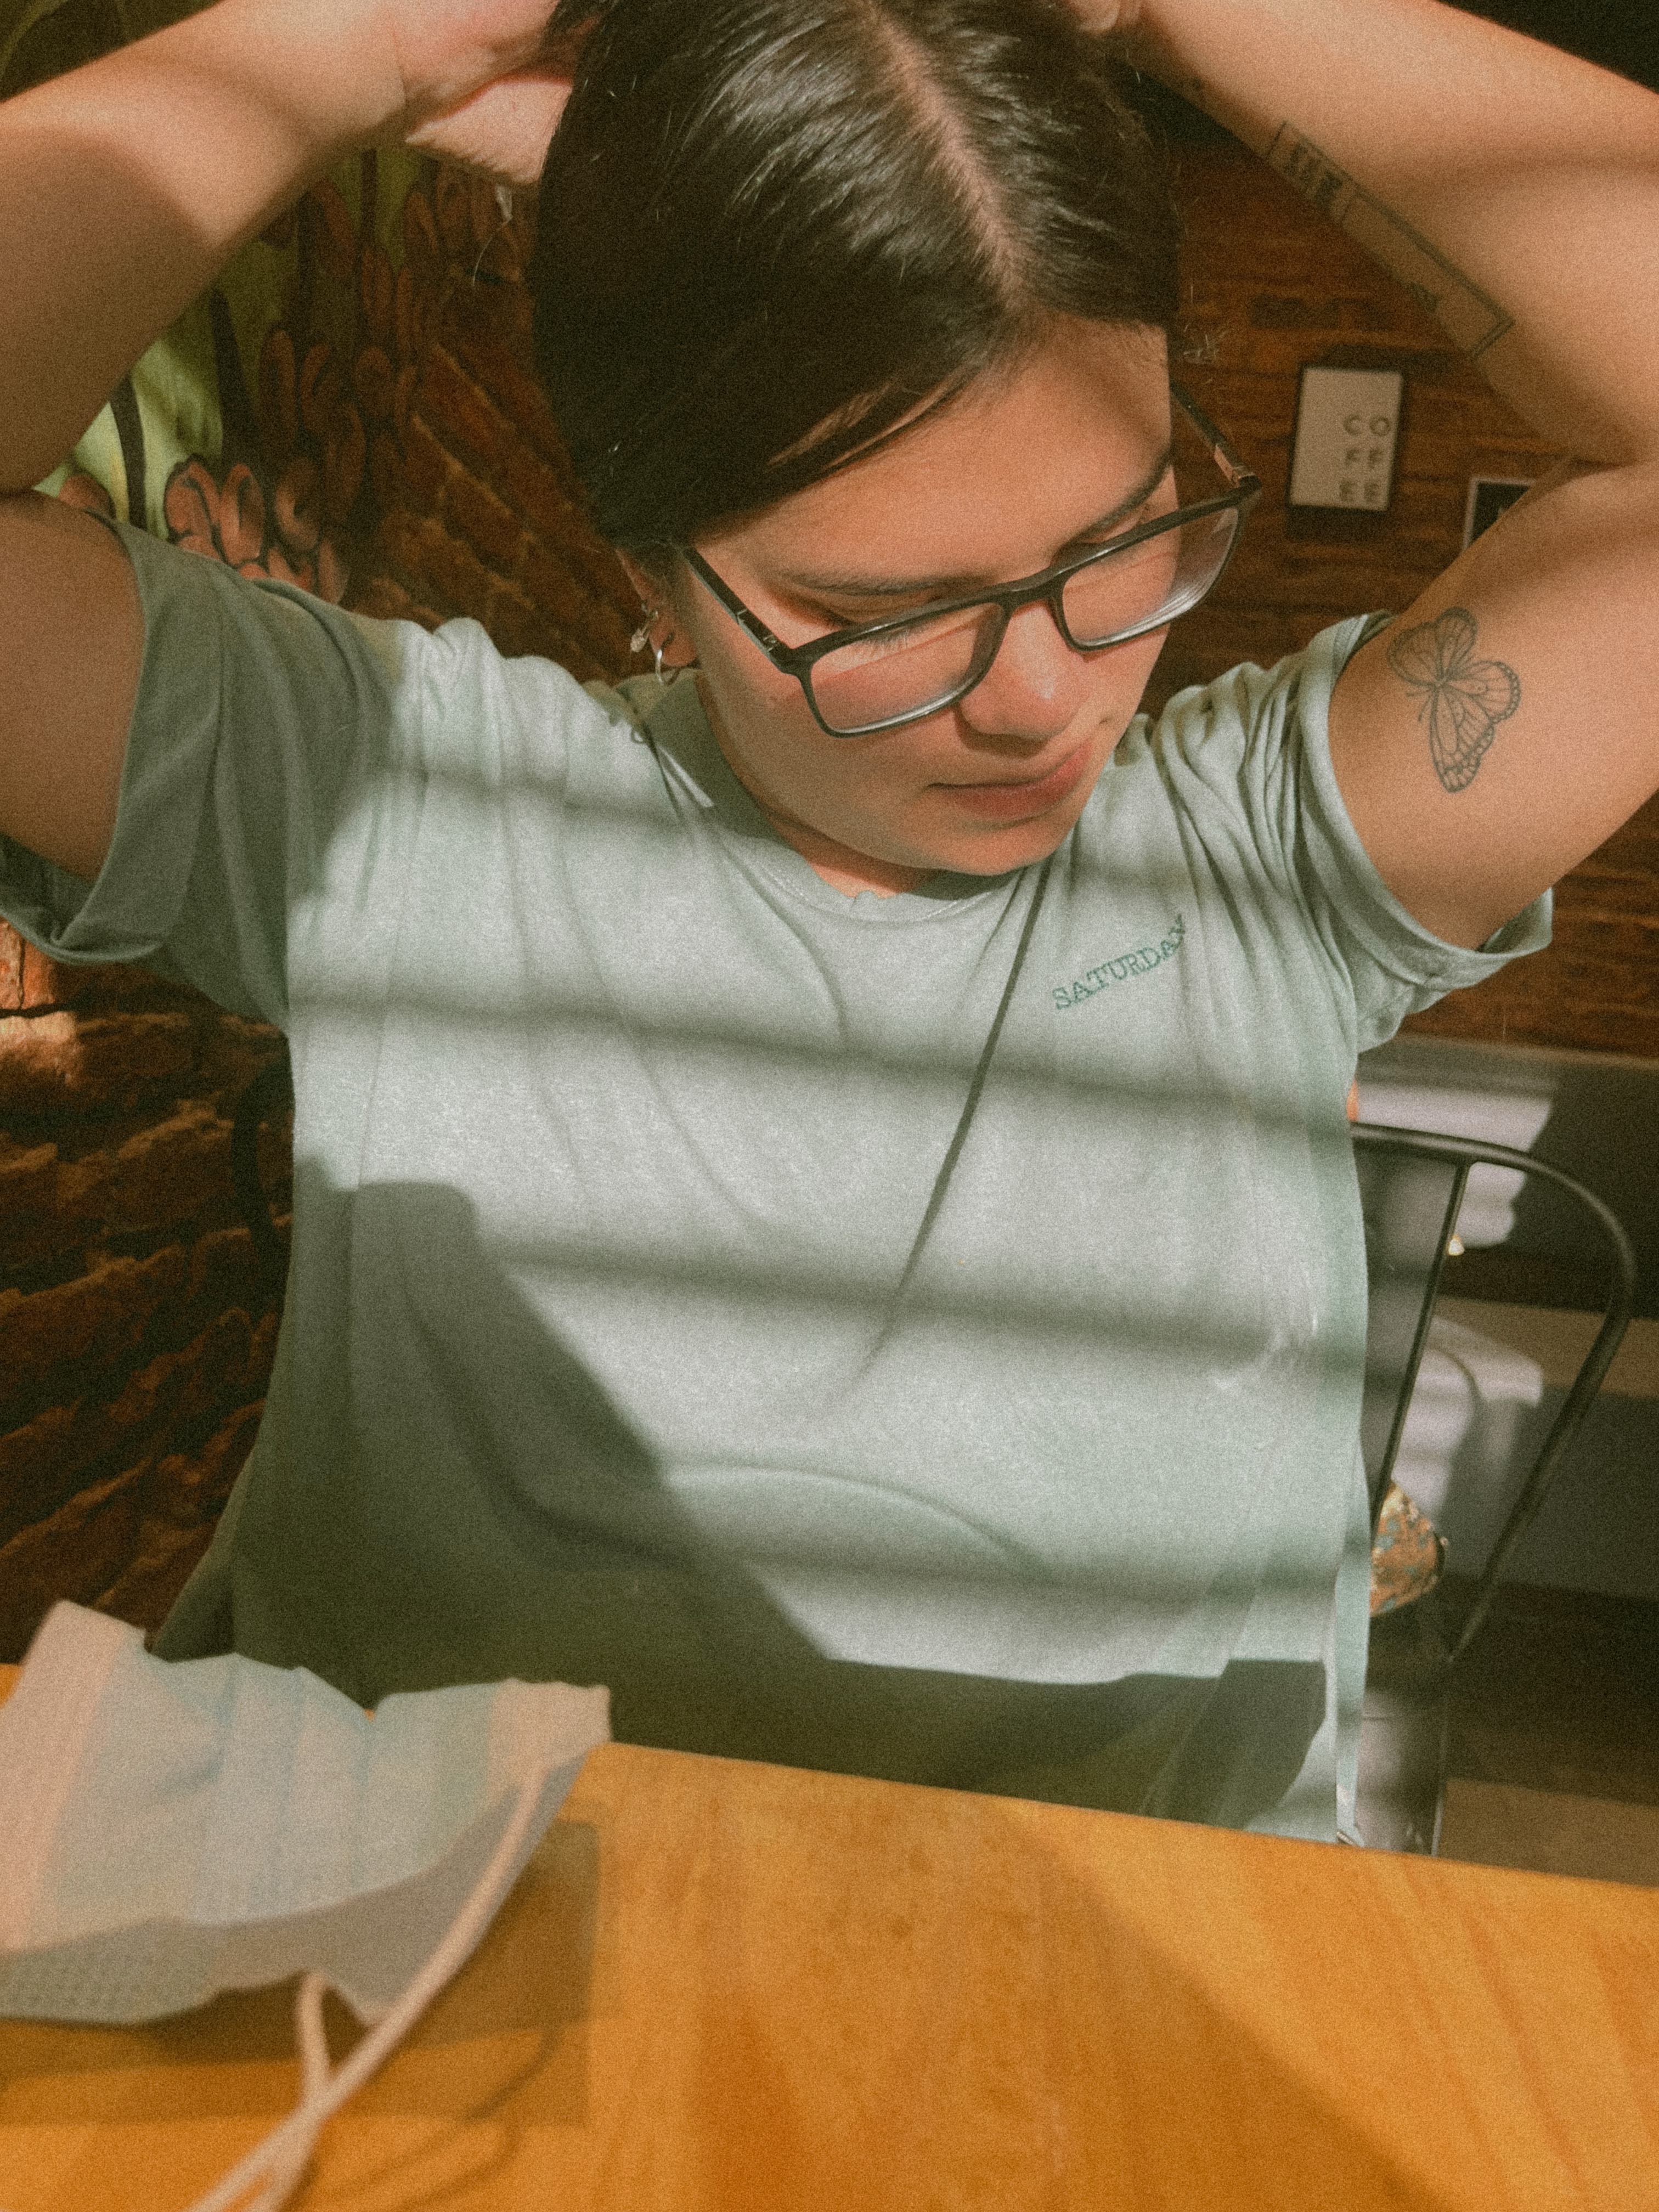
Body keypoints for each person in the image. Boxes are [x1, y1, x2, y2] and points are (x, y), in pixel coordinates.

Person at [0, 0, 1654, 1843]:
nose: (1041, 701)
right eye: (883, 616)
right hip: (426, 1963)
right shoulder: (404, 810)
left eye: (1121, 543)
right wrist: (353, 47)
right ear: (649, 563)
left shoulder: (1260, 865)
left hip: (1122, 1984)